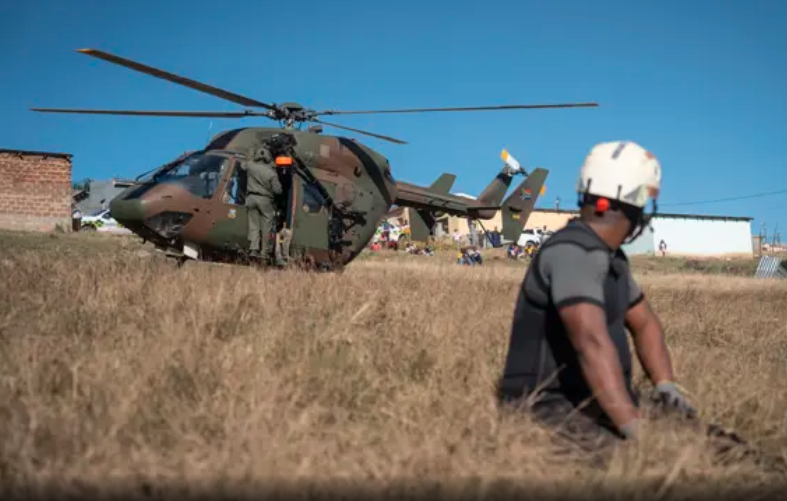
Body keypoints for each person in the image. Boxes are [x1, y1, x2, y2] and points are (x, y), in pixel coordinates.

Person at [496, 140, 696, 454]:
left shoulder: (610, 258)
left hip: (591, 403)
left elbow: (645, 324)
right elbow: (590, 342)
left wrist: (665, 388)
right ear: (637, 205)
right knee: (643, 465)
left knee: (714, 442)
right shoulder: (573, 253)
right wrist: (636, 432)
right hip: (546, 412)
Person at [241, 146, 282, 262]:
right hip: (265, 200)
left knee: (254, 225)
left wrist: (251, 156)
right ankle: (264, 252)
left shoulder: (250, 166)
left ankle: (253, 249)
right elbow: (278, 191)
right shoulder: (271, 173)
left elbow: (242, 165)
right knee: (266, 226)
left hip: (251, 198)